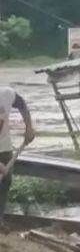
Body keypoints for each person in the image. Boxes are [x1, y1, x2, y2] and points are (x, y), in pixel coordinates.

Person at [0, 86, 35, 220]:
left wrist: (29, 128)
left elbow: (22, 105)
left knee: (4, 183)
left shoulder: (6, 94)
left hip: (4, 149)